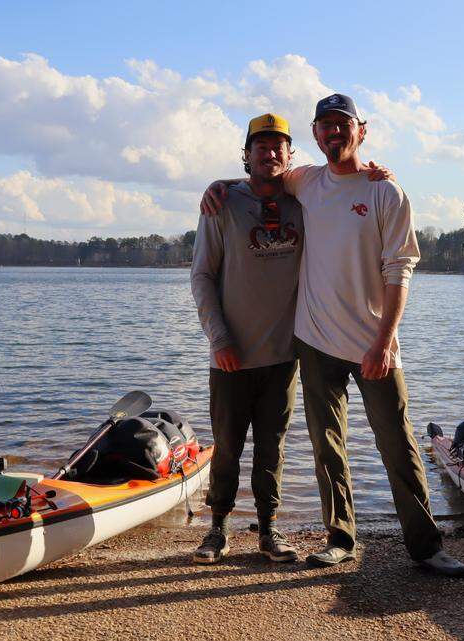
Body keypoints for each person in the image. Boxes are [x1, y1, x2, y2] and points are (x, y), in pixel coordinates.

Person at [203, 94, 464, 577]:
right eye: (324, 126)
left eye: (342, 124)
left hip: (375, 344)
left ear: (360, 130)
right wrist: (217, 185)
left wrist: (385, 341)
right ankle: (340, 538)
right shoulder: (306, 181)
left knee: (398, 444)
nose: (333, 133)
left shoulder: (385, 192)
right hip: (314, 341)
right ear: (315, 134)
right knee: (328, 447)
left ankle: (427, 546)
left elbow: (400, 269)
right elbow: (259, 176)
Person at [190, 113, 304, 564]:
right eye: (261, 145)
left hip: (284, 354)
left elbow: (343, 183)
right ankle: (217, 529)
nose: (270, 152)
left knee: (272, 448)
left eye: (279, 145)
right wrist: (219, 339)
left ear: (290, 154)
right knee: (227, 446)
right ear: (247, 154)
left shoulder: (303, 200)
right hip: (231, 355)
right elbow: (201, 275)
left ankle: (269, 530)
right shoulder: (222, 204)